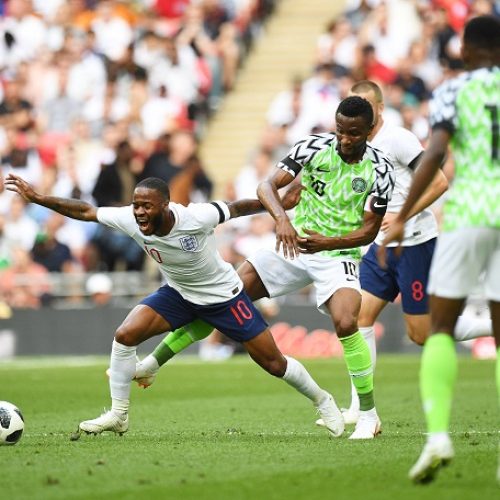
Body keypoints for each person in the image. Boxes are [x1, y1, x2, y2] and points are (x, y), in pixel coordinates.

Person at [130, 96, 396, 440]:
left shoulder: (380, 168)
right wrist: (283, 221)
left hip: (337, 252)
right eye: (340, 131)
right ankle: (153, 364)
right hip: (294, 244)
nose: (344, 140)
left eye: (354, 134)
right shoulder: (313, 147)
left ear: (369, 131)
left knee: (347, 322)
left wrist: (327, 243)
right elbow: (266, 186)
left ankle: (367, 415)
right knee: (222, 297)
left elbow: (369, 230)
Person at [5, 173, 344, 439]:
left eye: (147, 206)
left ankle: (324, 401)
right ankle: (119, 414)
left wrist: (281, 204)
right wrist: (39, 198)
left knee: (273, 363)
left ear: (166, 205)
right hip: (179, 293)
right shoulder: (130, 218)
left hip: (224, 297)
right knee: (126, 334)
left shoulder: (196, 217)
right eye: (136, 205)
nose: (139, 212)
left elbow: (239, 207)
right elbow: (85, 211)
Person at [324, 80, 492, 427]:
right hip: (381, 247)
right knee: (357, 319)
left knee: (421, 333)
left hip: (416, 244)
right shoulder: (354, 145)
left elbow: (439, 183)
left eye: (368, 107)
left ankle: (492, 325)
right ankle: (361, 407)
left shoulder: (398, 139)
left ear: (380, 109)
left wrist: (403, 216)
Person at [379, 15, 500, 484]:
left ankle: (437, 437)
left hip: (470, 214)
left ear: (466, 50)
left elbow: (434, 155)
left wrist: (403, 216)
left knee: (441, 326)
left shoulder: (454, 89)